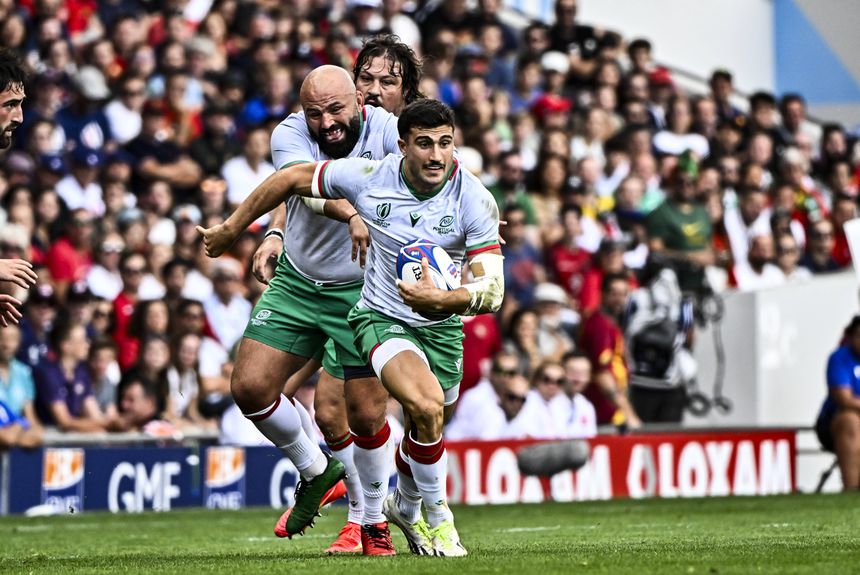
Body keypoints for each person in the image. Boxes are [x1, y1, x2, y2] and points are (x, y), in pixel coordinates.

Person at [198, 99, 504, 557]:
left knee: (430, 419)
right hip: (381, 316)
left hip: (441, 324)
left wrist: (443, 299)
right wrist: (232, 228)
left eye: (445, 143)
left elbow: (493, 290)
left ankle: (406, 505)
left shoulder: (474, 198)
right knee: (409, 407)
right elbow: (289, 179)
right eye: (424, 144)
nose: (437, 155)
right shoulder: (369, 177)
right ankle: (437, 519)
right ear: (402, 146)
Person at [245, 38, 423, 554]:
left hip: (370, 288)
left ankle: (385, 515)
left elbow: (441, 184)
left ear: (405, 92)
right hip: (304, 280)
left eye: (387, 81)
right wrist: (275, 231)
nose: (375, 88)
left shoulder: (402, 135)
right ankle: (334, 486)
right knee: (295, 399)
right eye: (366, 78)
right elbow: (297, 183)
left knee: (356, 410)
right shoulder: (310, 127)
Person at [579, 272, 640, 429]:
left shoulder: (611, 323)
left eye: (624, 294)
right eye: (614, 294)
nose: (619, 299)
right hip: (606, 413)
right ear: (602, 294)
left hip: (613, 410)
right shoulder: (600, 325)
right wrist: (628, 413)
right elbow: (602, 373)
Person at [816, 316, 860, 490]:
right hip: (834, 424)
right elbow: (844, 399)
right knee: (850, 420)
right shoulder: (840, 358)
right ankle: (851, 490)